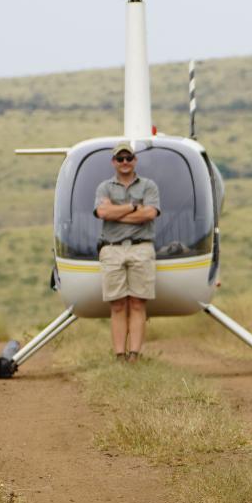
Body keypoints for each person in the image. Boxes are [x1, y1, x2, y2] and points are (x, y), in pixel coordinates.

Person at [94, 144, 161, 361]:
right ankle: (119, 355)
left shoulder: (149, 185)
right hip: (112, 249)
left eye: (128, 157)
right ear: (113, 161)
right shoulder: (104, 187)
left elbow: (150, 213)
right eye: (120, 158)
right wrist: (133, 207)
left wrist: (116, 212)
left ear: (135, 160)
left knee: (138, 302)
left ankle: (134, 354)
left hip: (142, 248)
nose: (125, 162)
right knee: (118, 303)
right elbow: (102, 212)